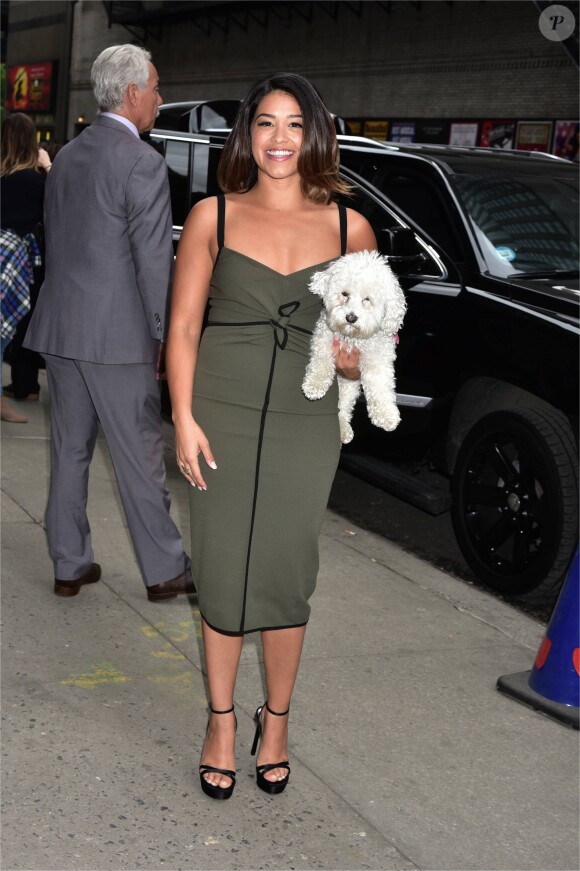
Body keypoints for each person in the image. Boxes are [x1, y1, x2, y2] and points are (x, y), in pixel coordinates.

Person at [166, 72, 377, 800]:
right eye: (265, 123)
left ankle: (276, 720)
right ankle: (221, 722)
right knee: (222, 568)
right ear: (246, 135)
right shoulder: (211, 217)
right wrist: (183, 417)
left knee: (289, 571)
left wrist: (355, 360)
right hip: (220, 408)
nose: (279, 138)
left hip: (306, 418)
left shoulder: (352, 227)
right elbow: (184, 327)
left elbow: (373, 335)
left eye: (293, 124)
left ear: (314, 133)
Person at [24, 44, 193, 602]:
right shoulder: (141, 161)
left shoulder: (67, 155)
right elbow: (151, 261)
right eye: (157, 88)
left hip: (61, 327)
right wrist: (165, 339)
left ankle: (69, 564)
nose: (160, 99)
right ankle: (165, 569)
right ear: (132, 94)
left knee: (69, 451)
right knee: (140, 456)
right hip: (116, 335)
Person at [0, 113, 48, 410]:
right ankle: (23, 385)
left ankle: (19, 386)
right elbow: (64, 205)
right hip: (22, 262)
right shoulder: (37, 181)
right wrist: (49, 166)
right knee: (21, 325)